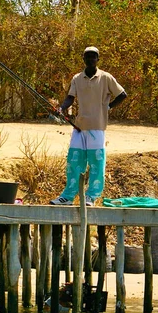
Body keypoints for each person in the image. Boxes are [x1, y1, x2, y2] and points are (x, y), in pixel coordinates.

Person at [50, 46, 127, 206]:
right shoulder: (77, 78)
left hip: (97, 128)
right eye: (88, 57)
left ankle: (91, 196)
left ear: (98, 59)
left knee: (96, 163)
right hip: (79, 127)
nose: (91, 59)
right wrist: (61, 108)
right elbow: (70, 98)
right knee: (74, 162)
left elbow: (122, 94)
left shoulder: (106, 77)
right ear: (83, 59)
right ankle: (68, 196)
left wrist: (109, 107)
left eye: (94, 57)